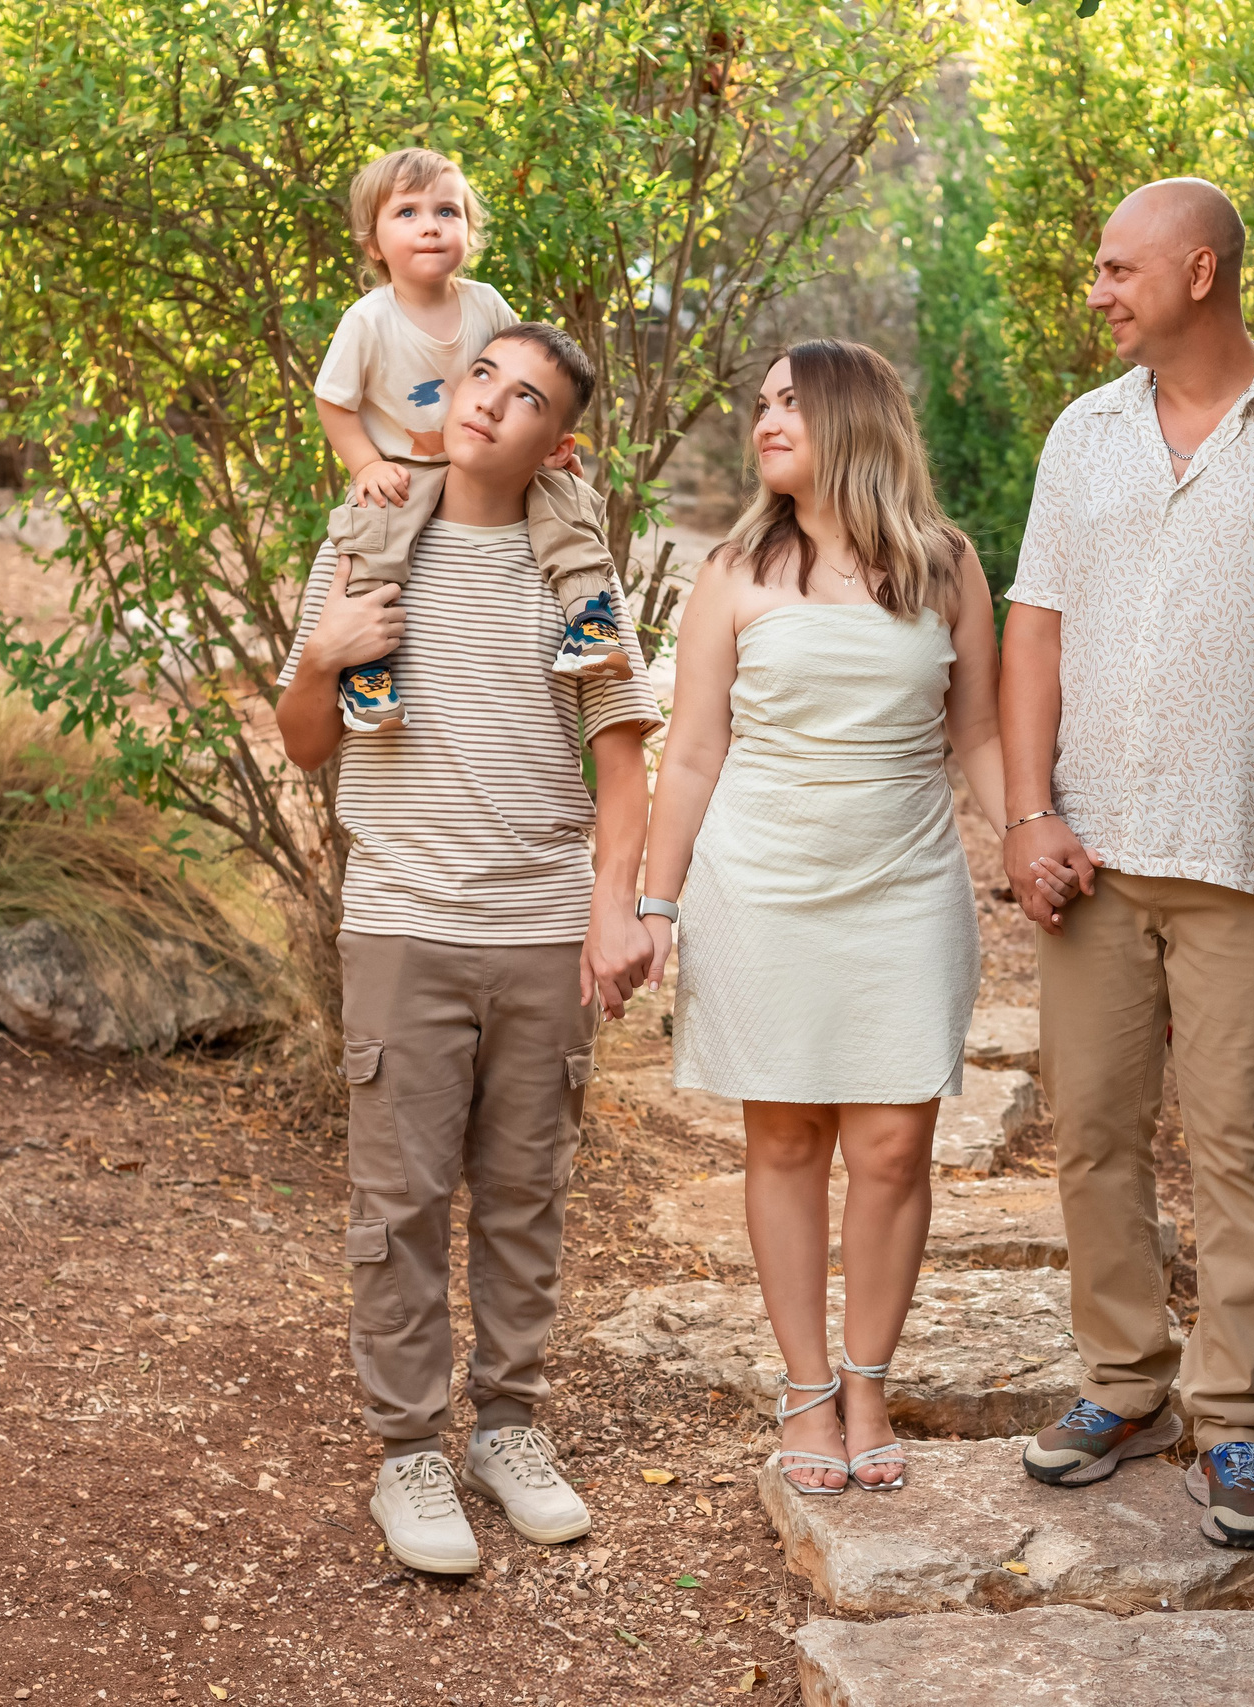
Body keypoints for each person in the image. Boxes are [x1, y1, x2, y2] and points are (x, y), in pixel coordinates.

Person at [999, 179, 1254, 1548]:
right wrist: (1024, 812)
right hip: (1096, 848)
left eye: (1119, 268)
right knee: (1095, 1135)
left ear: (1200, 271)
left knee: (1245, 1142)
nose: (1098, 289)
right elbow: (1035, 633)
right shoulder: (1084, 434)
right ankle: (1124, 1383)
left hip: (1250, 849)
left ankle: (1236, 1421)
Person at [274, 322, 659, 1573]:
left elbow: (618, 757)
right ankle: (408, 1457)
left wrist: (616, 908)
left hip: (542, 930)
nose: (491, 402)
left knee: (524, 1194)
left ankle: (508, 1429)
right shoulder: (367, 540)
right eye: (480, 375)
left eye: (527, 395)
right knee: (402, 1201)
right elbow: (304, 740)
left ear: (558, 441)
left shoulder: (577, 569)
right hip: (404, 922)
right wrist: (326, 657)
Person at [637, 340, 1006, 1496]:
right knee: (786, 1137)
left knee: (894, 1147)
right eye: (759, 404)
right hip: (761, 884)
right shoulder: (736, 569)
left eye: (789, 401)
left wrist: (1036, 842)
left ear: (852, 415)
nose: (765, 419)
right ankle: (804, 1389)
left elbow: (981, 740)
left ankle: (867, 1382)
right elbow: (691, 752)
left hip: (903, 883)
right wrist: (654, 900)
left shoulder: (945, 565)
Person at [313, 147, 632, 732]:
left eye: (448, 211)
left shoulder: (484, 302)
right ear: (373, 245)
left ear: (469, 230)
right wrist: (364, 466)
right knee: (374, 545)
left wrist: (547, 450)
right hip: (404, 470)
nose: (431, 225)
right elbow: (334, 402)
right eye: (407, 213)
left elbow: (519, 371)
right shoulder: (369, 319)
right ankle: (368, 672)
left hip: (486, 461)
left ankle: (588, 620)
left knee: (567, 505)